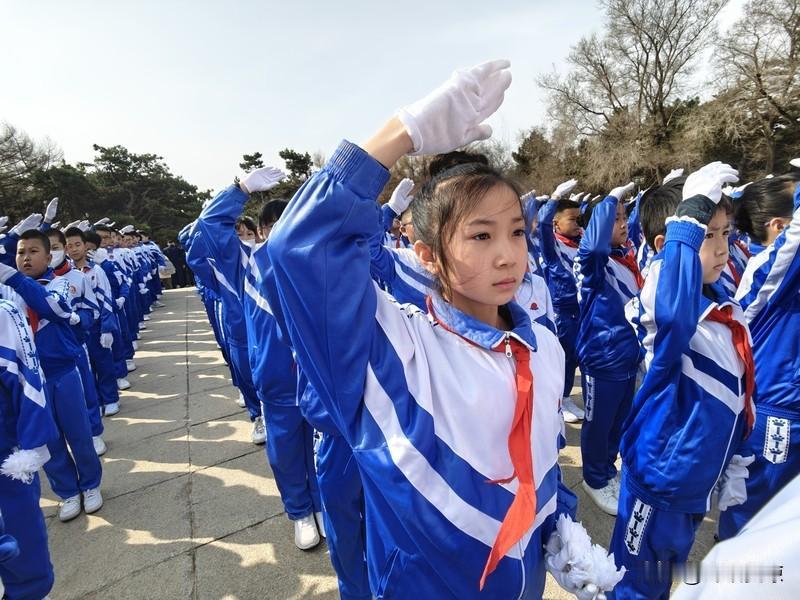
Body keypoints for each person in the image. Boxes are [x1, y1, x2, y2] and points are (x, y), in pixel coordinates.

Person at [264, 59, 621, 598]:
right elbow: (298, 248)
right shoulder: (394, 349)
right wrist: (401, 133)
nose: (508, 256)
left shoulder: (541, 345)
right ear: (427, 256)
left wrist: (558, 526)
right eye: (481, 236)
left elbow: (538, 453)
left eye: (518, 232)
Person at [608, 162, 755, 599]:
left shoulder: (721, 307)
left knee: (663, 575)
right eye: (709, 235)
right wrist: (688, 217)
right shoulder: (663, 299)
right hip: (659, 481)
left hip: (694, 486)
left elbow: (739, 391)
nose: (723, 247)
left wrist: (733, 462)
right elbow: (671, 307)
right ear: (672, 243)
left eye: (726, 233)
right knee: (634, 584)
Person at [192, 177, 326, 552]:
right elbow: (207, 228)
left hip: (316, 378)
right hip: (276, 379)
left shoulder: (315, 258)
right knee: (285, 449)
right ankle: (299, 510)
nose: (281, 230)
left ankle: (321, 504)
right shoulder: (247, 261)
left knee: (320, 445)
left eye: (290, 221)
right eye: (273, 225)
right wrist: (240, 190)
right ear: (263, 230)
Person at [717, 173, 800, 539]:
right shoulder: (769, 269)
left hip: (789, 402)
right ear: (779, 226)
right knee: (751, 507)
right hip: (775, 410)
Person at [0, 229, 103, 522]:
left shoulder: (60, 285)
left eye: (33, 252)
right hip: (31, 381)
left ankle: (90, 484)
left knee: (79, 433)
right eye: (20, 252)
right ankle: (68, 491)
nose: (26, 258)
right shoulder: (6, 292)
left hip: (63, 373)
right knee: (49, 440)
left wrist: (15, 279)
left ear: (50, 256)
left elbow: (53, 308)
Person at [574, 185, 643, 516]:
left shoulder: (626, 255)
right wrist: (606, 203)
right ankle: (593, 478)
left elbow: (641, 224)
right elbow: (593, 248)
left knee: (617, 422)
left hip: (627, 357)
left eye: (624, 216)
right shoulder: (593, 263)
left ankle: (607, 471)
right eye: (615, 219)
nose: (624, 222)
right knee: (598, 425)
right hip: (602, 359)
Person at [0, 298, 58, 600]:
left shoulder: (3, 314)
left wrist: (31, 446)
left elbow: (30, 380)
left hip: (5, 456)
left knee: (20, 534)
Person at [538, 192, 586, 423]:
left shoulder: (582, 243)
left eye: (580, 219)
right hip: (562, 309)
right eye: (573, 219)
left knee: (577, 356)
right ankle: (561, 398)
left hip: (581, 309)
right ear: (557, 223)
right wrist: (554, 200)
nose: (578, 224)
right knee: (564, 357)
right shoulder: (552, 245)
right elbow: (543, 225)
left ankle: (568, 397)